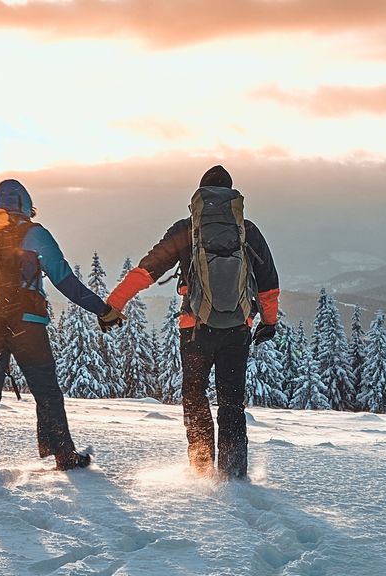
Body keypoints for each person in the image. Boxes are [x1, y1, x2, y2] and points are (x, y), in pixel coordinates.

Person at [103, 165, 280, 480]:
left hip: (195, 329)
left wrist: (115, 303)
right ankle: (234, 474)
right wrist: (268, 322)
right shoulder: (247, 231)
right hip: (238, 328)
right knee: (231, 401)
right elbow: (268, 284)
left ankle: (201, 468)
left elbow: (148, 270)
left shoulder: (186, 230)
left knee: (195, 395)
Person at [0, 179, 124, 475]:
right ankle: (63, 454)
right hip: (26, 323)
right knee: (45, 388)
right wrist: (103, 310)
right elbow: (64, 279)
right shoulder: (34, 233)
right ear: (26, 205)